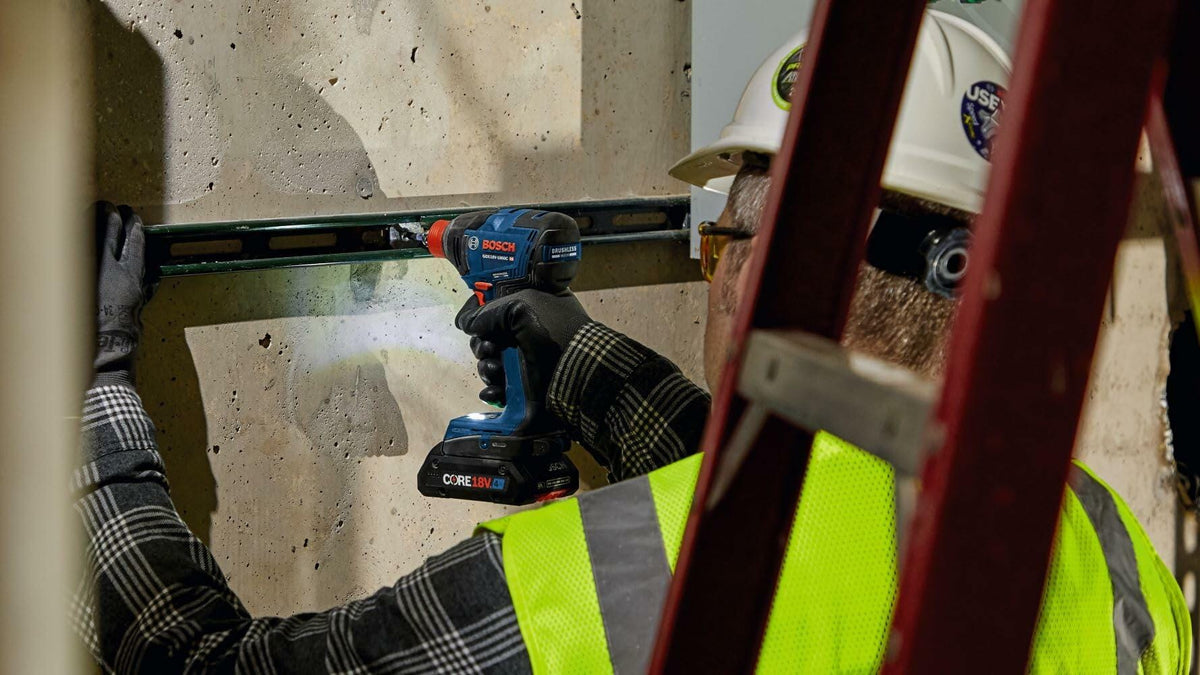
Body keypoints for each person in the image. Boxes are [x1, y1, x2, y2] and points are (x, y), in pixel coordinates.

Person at [75, 10, 1188, 674]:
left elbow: (195, 665)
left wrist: (97, 394)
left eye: (722, 247)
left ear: (763, 269)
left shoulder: (579, 589)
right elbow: (817, 513)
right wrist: (580, 359)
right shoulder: (1114, 550)